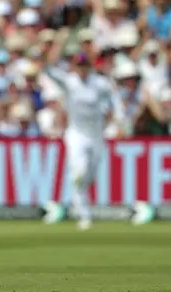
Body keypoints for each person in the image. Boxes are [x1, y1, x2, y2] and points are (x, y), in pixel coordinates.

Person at [45, 30, 125, 231]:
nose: (81, 69)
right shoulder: (69, 81)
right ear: (74, 66)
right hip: (76, 133)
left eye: (84, 65)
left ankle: (82, 201)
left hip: (96, 134)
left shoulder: (100, 83)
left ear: (89, 66)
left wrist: (117, 120)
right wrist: (57, 44)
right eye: (78, 65)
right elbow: (48, 69)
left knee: (89, 175)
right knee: (78, 172)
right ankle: (84, 215)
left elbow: (114, 101)